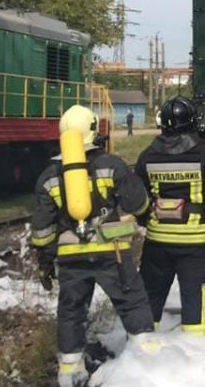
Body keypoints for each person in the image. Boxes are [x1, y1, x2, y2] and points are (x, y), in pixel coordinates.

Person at [30, 105, 154, 387]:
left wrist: (45, 263)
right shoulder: (112, 164)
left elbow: (42, 230)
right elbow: (139, 204)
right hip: (113, 254)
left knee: (71, 312)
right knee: (132, 302)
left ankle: (69, 373)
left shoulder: (49, 176)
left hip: (72, 259)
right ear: (94, 131)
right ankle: (148, 363)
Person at [136, 96, 205, 335]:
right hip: (194, 242)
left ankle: (141, 347)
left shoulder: (147, 156)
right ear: (193, 122)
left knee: (150, 294)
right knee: (194, 293)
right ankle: (194, 345)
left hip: (157, 242)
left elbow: (137, 200)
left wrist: (148, 222)